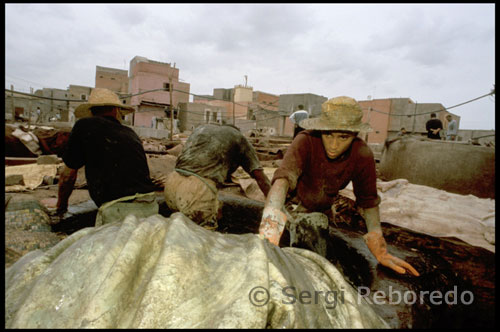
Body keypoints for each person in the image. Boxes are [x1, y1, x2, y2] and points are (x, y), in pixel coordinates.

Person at [258, 96, 420, 276]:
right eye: (328, 135)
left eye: (343, 137)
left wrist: (379, 247)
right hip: (290, 207)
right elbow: (282, 180)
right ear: (321, 130)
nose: (334, 145)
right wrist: (271, 224)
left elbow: (368, 201)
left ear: (355, 135)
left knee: (323, 265)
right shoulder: (306, 141)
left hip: (323, 211)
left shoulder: (361, 154)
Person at [53, 88, 159, 226]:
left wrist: (61, 208)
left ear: (91, 111)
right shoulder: (130, 132)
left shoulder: (84, 126)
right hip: (150, 205)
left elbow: (67, 176)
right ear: (116, 111)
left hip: (117, 210)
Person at [163, 123, 271, 229]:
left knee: (178, 232)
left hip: (172, 183)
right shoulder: (240, 139)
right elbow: (261, 179)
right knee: (203, 239)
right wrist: (275, 205)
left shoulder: (201, 129)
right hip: (197, 190)